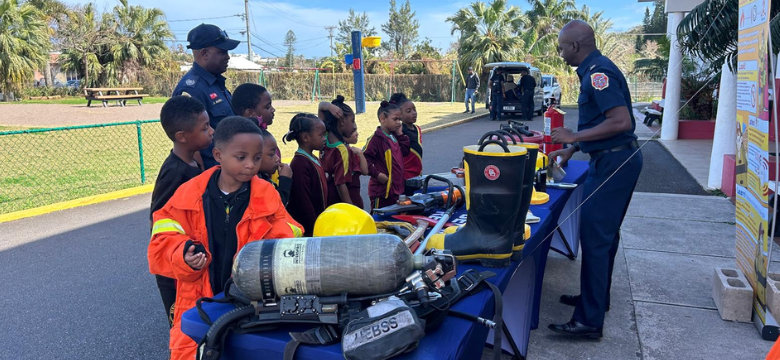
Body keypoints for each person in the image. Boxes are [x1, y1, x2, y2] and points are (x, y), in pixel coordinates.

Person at [148, 116, 303, 360]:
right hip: (198, 301)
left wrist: (264, 246)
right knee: (195, 351)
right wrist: (183, 255)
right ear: (218, 155)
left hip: (250, 302)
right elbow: (161, 240)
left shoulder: (266, 194)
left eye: (257, 157)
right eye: (241, 157)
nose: (250, 165)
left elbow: (291, 229)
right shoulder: (188, 194)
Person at [547, 20, 643, 339]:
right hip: (609, 158)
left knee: (596, 237)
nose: (560, 53)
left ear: (575, 46)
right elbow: (601, 122)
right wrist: (573, 147)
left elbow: (620, 121)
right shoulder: (593, 70)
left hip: (615, 161)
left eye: (562, 47)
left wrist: (574, 134)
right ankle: (596, 300)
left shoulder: (598, 74)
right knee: (603, 237)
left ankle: (589, 321)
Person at [148, 96, 213, 328]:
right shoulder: (175, 173)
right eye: (205, 128)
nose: (212, 131)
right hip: (176, 269)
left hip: (194, 263)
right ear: (182, 137)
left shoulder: (194, 162)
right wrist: (182, 252)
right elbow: (160, 220)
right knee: (183, 326)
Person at [172, 23, 240, 169]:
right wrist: (204, 182)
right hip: (213, 174)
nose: (227, 57)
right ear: (204, 54)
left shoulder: (216, 83)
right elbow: (190, 144)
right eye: (222, 52)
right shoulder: (192, 89)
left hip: (229, 171)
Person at [284, 113, 328, 236]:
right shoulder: (300, 163)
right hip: (309, 228)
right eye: (321, 135)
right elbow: (303, 201)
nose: (325, 138)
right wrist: (314, 227)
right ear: (305, 137)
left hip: (318, 222)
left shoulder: (313, 158)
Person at [363, 101, 410, 211]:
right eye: (395, 119)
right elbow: (365, 160)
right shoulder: (376, 139)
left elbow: (405, 151)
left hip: (396, 190)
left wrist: (400, 134)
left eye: (400, 119)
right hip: (382, 192)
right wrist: (378, 174)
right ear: (382, 118)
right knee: (380, 220)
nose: (399, 123)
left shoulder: (393, 136)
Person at [318, 95, 357, 206]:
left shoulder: (323, 139)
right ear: (342, 122)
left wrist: (329, 106)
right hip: (338, 203)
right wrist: (350, 208)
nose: (355, 126)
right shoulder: (342, 150)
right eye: (353, 121)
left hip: (325, 199)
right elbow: (341, 183)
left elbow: (321, 107)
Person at [389, 92, 423, 196]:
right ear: (400, 115)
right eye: (409, 111)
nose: (414, 113)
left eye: (414, 110)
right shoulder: (397, 131)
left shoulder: (417, 129)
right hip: (403, 177)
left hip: (417, 174)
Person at [257, 128, 292, 205]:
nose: (277, 158)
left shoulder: (263, 177)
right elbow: (278, 206)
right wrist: (285, 180)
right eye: (271, 154)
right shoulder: (255, 186)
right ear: (256, 156)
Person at [343, 125, 369, 210]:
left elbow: (365, 171)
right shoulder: (342, 152)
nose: (357, 134)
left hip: (355, 195)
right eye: (353, 131)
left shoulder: (354, 151)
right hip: (348, 198)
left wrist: (360, 153)